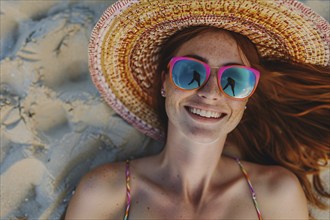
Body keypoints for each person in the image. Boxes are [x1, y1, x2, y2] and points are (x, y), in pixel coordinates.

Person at [65, 0, 329, 219]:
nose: (211, 92)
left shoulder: (276, 193)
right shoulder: (105, 192)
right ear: (164, 82)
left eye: (234, 80)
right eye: (190, 71)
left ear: (247, 96)